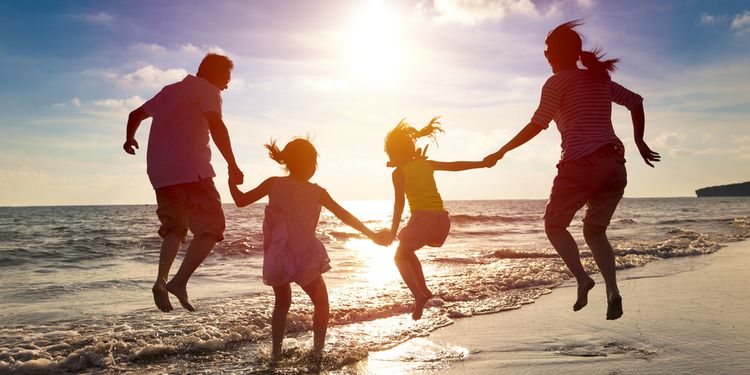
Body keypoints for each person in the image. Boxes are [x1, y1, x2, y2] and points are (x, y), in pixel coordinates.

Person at [484, 20, 660, 320]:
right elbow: (636, 102)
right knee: (595, 230)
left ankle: (582, 278)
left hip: (581, 164)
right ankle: (612, 291)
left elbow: (537, 124)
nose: (545, 53)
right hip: (615, 166)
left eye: (549, 49)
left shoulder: (557, 82)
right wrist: (640, 142)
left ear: (559, 54)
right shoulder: (598, 79)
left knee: (554, 225)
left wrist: (502, 150)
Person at [229, 138, 390, 363]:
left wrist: (230, 179)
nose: (314, 166)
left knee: (282, 303)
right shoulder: (317, 192)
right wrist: (371, 235)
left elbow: (240, 200)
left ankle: (276, 353)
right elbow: (345, 216)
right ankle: (317, 352)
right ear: (309, 164)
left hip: (279, 256)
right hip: (305, 256)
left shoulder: (273, 183)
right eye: (313, 162)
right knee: (321, 301)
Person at [123, 53, 244, 313]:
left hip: (160, 173)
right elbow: (217, 124)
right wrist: (232, 164)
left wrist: (129, 139)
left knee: (175, 228)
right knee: (213, 227)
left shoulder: (169, 91)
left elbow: (135, 115)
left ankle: (160, 281)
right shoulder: (209, 90)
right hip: (192, 169)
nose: (227, 84)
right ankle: (179, 282)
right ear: (213, 73)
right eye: (226, 77)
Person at [384, 117, 492, 320]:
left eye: (390, 153)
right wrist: (482, 163)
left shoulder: (399, 173)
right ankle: (423, 292)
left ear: (396, 153)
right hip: (441, 221)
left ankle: (418, 294)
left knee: (399, 257)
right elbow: (455, 166)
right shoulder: (427, 164)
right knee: (407, 252)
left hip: (422, 220)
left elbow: (398, 205)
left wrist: (392, 231)